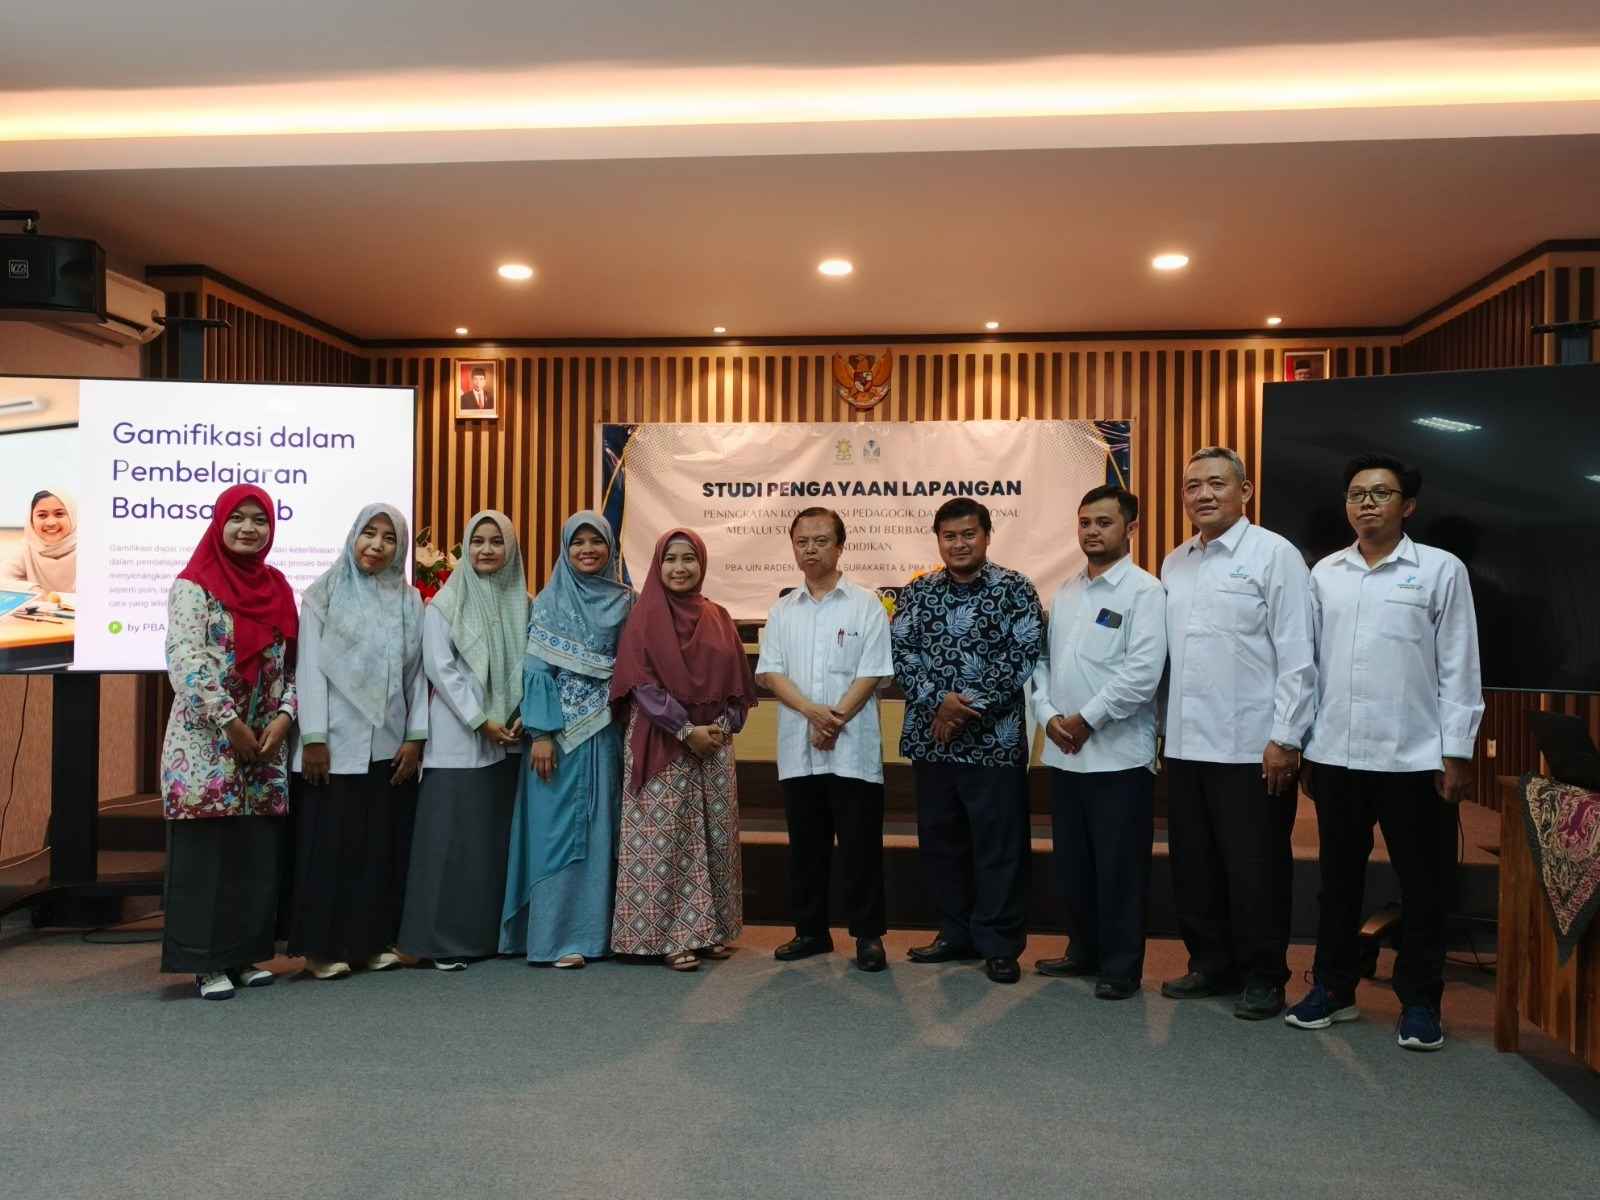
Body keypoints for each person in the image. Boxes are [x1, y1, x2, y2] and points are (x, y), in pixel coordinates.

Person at [1287, 454, 1483, 1051]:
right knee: (1337, 883)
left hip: (1413, 758)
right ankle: (1334, 990)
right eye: (1355, 494)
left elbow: (1459, 665)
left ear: (1409, 505)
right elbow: (1307, 667)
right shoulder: (1325, 574)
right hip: (1337, 755)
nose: (1366, 503)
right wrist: (1302, 742)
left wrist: (1457, 753)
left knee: (1423, 885)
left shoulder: (1439, 570)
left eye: (1380, 493)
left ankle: (1420, 1001)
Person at [1160, 446, 1316, 1019]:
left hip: (1253, 746)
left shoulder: (1275, 556)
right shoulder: (1174, 563)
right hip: (1184, 743)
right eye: (1192, 485)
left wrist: (1286, 737)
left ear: (1243, 492)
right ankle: (1210, 963)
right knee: (1194, 864)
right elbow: (1169, 660)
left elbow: (1299, 655)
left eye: (1216, 483)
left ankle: (1264, 976)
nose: (1202, 494)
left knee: (1255, 867)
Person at [891, 497, 1043, 984]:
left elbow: (1022, 657)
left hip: (993, 743)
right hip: (931, 742)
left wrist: (962, 707)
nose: (959, 544)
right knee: (942, 844)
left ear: (987, 536)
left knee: (999, 847)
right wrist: (938, 703)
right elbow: (903, 653)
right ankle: (956, 933)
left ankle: (999, 943)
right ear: (938, 540)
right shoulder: (918, 592)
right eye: (950, 536)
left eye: (968, 534)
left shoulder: (1015, 588)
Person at [159, 484, 298, 1001]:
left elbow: (294, 664)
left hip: (264, 742)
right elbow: (186, 663)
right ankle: (205, 963)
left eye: (258, 520)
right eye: (237, 518)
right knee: (207, 856)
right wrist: (231, 723)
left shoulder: (279, 587)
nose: (248, 529)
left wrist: (285, 717)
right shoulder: (194, 586)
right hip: (206, 744)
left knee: (253, 855)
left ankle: (244, 955)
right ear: (219, 523)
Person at [1030, 486, 1166, 1000]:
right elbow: (1043, 664)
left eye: (1104, 522)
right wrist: (1046, 716)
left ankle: (1122, 965)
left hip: (1118, 758)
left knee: (1119, 869)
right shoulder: (1065, 591)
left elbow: (1142, 673)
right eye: (1085, 521)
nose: (1092, 531)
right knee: (1074, 865)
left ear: (1129, 529)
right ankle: (1082, 950)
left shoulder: (1145, 592)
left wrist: (1086, 720)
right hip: (1065, 756)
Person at [288, 503, 427, 980]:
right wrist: (315, 739)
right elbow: (308, 669)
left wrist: (415, 737)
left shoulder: (409, 602)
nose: (377, 545)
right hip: (334, 743)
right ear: (353, 536)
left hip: (388, 744)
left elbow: (416, 676)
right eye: (369, 533)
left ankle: (368, 942)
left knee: (377, 848)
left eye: (389, 538)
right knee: (330, 848)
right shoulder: (322, 595)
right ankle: (323, 949)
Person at [609, 529, 757, 971]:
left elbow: (739, 689)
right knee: (666, 839)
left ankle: (712, 929)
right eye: (670, 559)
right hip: (662, 739)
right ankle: (670, 936)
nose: (679, 568)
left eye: (688, 558)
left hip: (713, 741)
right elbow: (641, 684)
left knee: (715, 834)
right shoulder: (644, 615)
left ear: (702, 563)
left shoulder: (719, 616)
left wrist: (721, 725)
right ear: (657, 564)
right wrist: (685, 728)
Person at [756, 507, 894, 972]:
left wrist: (833, 720)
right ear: (793, 547)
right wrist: (815, 714)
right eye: (802, 542)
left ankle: (868, 935)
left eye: (820, 541)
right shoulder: (782, 609)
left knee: (860, 846)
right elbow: (770, 672)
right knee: (806, 846)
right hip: (800, 746)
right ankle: (811, 931)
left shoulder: (866, 604)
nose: (810, 550)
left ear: (840, 546)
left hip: (852, 748)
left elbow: (873, 672)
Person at [501, 511, 635, 968]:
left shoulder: (627, 602)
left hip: (607, 737)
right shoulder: (550, 601)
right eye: (577, 542)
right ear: (564, 548)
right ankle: (556, 939)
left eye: (596, 541)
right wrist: (539, 733)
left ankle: (598, 937)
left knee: (602, 832)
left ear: (610, 546)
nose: (587, 550)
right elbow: (536, 673)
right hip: (556, 743)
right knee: (556, 835)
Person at [397, 510, 527, 970]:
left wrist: (517, 715)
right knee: (449, 843)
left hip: (510, 739)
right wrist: (479, 720)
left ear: (510, 549)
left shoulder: (524, 601)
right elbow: (440, 668)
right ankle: (439, 941)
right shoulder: (445, 604)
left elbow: (533, 669)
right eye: (478, 541)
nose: (487, 550)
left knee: (492, 846)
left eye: (496, 541)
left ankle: (487, 936)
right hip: (459, 740)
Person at [2, 488, 77, 607]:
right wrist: (31, 588)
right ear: (32, 522)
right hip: (41, 622)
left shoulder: (89, 547)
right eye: (42, 515)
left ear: (74, 517)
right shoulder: (27, 546)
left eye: (59, 514)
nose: (51, 522)